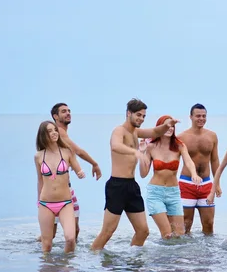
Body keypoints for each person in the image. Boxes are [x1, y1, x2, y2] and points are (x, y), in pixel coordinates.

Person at [90, 99, 179, 251]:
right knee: (108, 231)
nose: (141, 119)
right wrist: (135, 152)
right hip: (117, 186)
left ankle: (132, 261)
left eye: (144, 116)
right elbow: (115, 146)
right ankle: (93, 256)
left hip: (132, 186)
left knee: (143, 231)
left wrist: (167, 125)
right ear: (128, 113)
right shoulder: (119, 130)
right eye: (138, 115)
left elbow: (155, 132)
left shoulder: (136, 132)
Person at [38, 103, 102, 242]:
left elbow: (70, 155)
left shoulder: (61, 134)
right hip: (54, 195)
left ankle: (69, 255)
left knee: (73, 229)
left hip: (66, 189)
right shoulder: (59, 133)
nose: (68, 113)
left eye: (69, 111)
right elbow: (77, 151)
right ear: (55, 116)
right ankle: (56, 257)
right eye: (63, 111)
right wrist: (94, 163)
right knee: (51, 234)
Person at [139, 115, 202, 239]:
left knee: (179, 234)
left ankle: (175, 258)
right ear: (160, 128)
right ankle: (163, 258)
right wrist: (141, 153)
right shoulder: (151, 146)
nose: (170, 128)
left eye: (172, 126)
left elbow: (188, 162)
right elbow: (143, 173)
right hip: (155, 193)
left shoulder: (179, 146)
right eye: (167, 125)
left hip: (173, 193)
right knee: (167, 234)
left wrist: (194, 174)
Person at [35, 121, 86, 253]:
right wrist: (38, 201)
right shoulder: (39, 156)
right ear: (43, 135)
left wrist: (80, 173)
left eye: (55, 130)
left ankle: (66, 266)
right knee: (47, 245)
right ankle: (48, 270)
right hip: (46, 203)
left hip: (65, 202)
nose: (54, 133)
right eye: (50, 131)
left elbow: (77, 168)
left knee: (70, 238)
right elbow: (40, 180)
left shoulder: (67, 152)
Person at [176, 103, 220, 235]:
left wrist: (217, 184)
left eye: (204, 116)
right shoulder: (181, 137)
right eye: (198, 116)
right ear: (191, 117)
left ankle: (207, 254)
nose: (201, 118)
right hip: (187, 183)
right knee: (186, 224)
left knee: (209, 224)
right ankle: (185, 254)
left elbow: (214, 160)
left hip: (206, 183)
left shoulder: (212, 136)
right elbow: (173, 161)